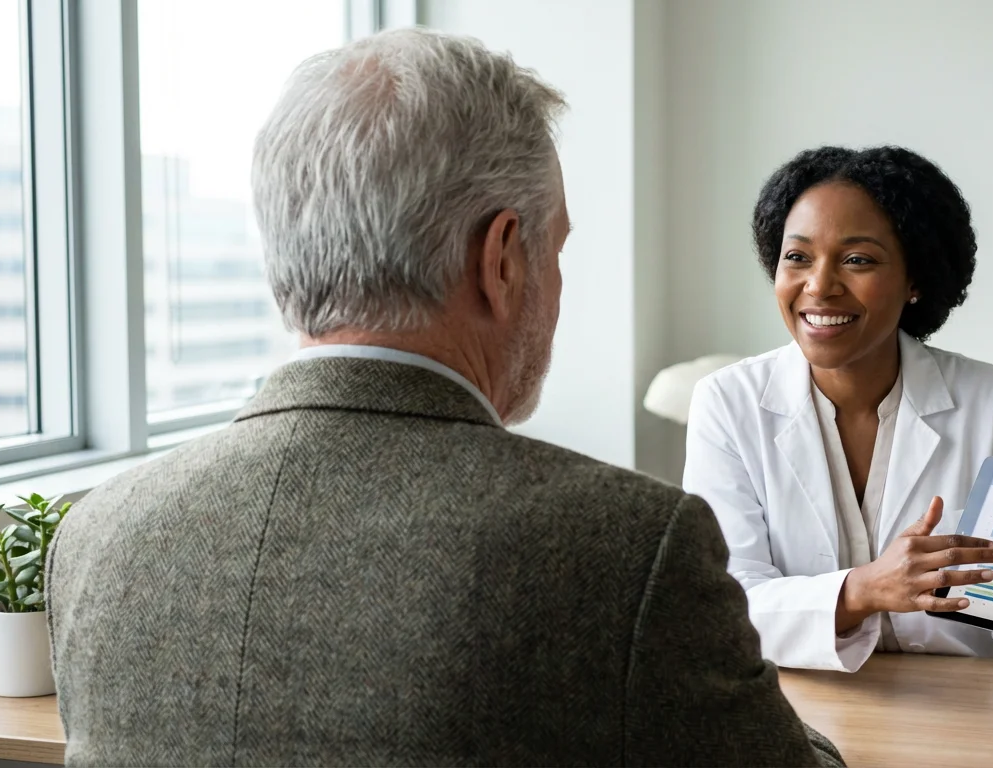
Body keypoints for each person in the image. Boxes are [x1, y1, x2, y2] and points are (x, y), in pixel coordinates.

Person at [46, 29, 843, 767]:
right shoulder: (629, 549)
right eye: (554, 247)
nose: (557, 281)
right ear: (501, 260)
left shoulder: (96, 538)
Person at [682, 146, 993, 678]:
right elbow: (725, 605)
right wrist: (864, 589)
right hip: (799, 705)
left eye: (858, 260)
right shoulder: (728, 403)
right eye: (798, 257)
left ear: (915, 280)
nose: (820, 286)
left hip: (963, 710)